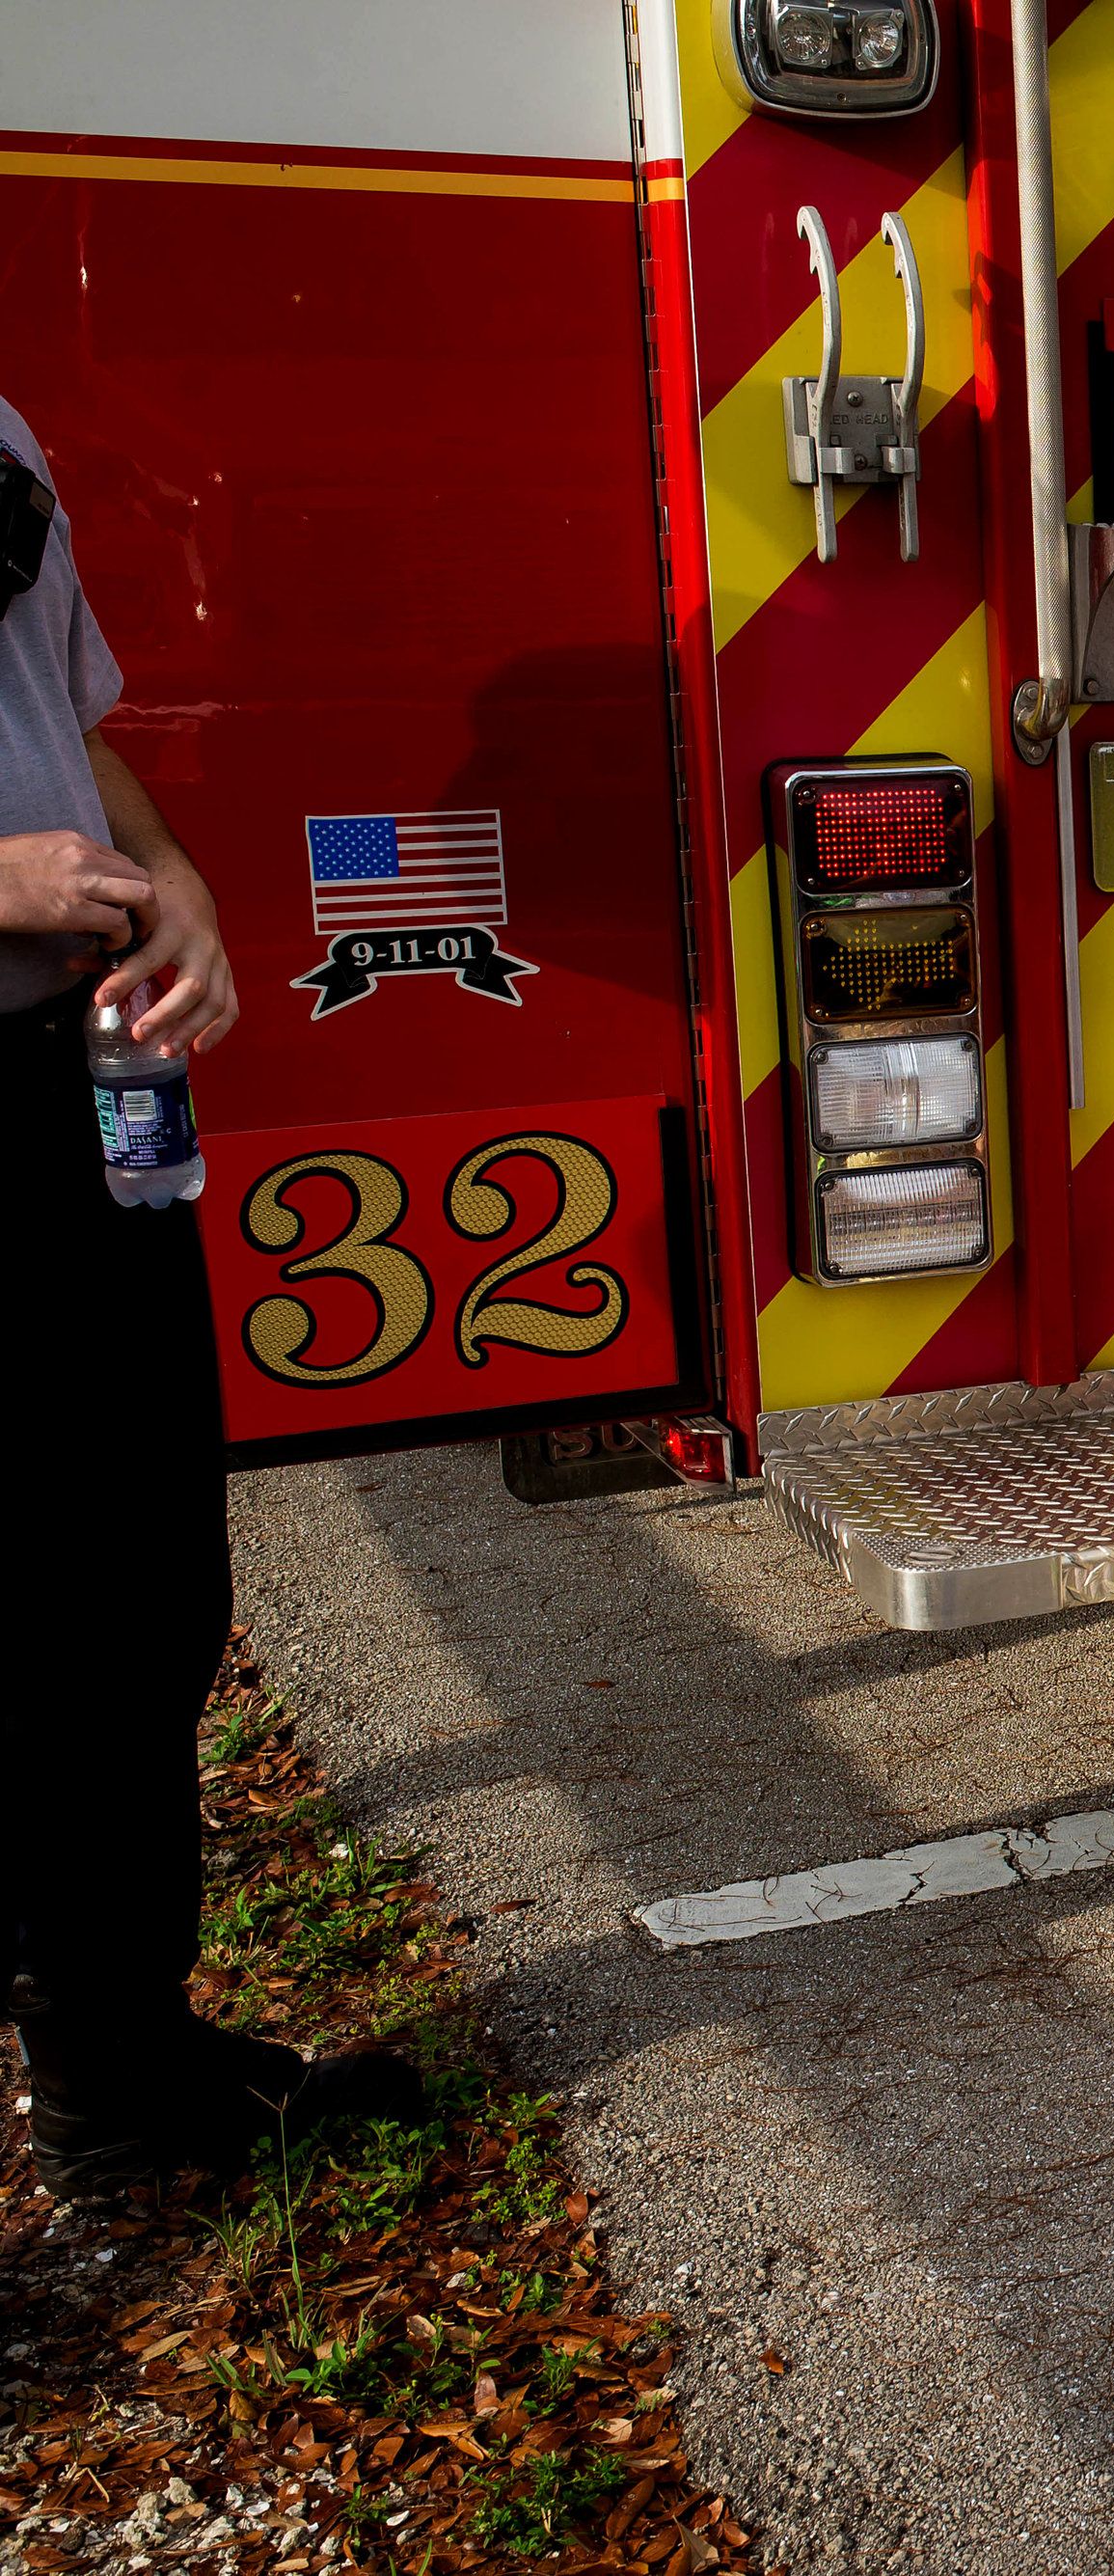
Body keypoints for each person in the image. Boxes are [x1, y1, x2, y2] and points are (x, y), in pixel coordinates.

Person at [0, 394, 421, 2194]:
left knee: (136, 1589)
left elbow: (63, 732)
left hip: (61, 1086)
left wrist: (169, 882)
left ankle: (119, 2072)